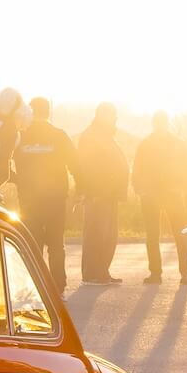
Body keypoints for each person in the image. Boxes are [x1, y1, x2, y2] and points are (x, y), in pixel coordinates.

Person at [13, 97, 79, 294]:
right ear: (48, 112)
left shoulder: (20, 136)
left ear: (30, 112)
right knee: (56, 244)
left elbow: (2, 163)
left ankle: (34, 287)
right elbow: (75, 164)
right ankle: (58, 287)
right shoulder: (59, 135)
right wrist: (81, 190)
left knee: (32, 243)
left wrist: (17, 180)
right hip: (56, 199)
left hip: (29, 200)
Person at [132, 111, 187, 286]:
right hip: (161, 194)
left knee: (165, 235)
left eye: (161, 123)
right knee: (167, 235)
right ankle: (176, 273)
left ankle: (161, 274)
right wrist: (140, 189)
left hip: (165, 194)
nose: (160, 127)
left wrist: (139, 189)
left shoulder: (147, 144)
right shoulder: (175, 144)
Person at [77, 103, 129, 285]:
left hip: (110, 194)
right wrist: (91, 191)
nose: (115, 118)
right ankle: (92, 274)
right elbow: (85, 166)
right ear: (102, 115)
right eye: (112, 115)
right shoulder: (91, 136)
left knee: (108, 235)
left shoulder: (106, 135)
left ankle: (102, 272)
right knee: (96, 234)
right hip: (98, 194)